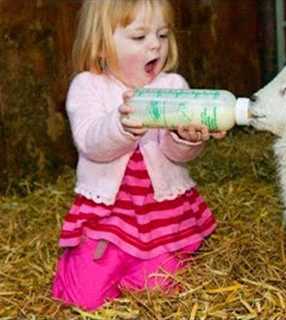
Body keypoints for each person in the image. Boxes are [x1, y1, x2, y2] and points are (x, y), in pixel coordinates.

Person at [52, 0, 224, 311]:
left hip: (162, 215)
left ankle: (152, 262)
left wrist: (185, 137)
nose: (154, 46)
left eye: (162, 34)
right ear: (102, 45)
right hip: (109, 215)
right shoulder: (88, 86)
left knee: (159, 294)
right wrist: (122, 125)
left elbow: (178, 156)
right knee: (84, 299)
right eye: (139, 37)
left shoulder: (173, 86)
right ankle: (95, 264)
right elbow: (91, 142)